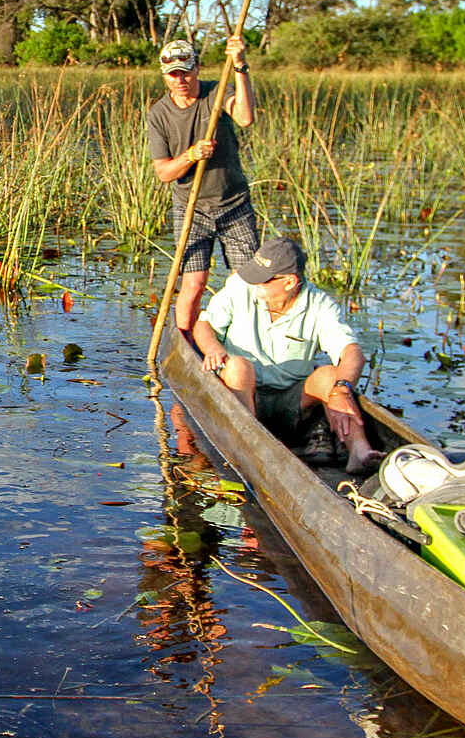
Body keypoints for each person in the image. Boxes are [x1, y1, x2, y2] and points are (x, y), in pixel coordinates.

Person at [193, 237, 380, 474]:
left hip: (291, 401)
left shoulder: (320, 305)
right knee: (238, 367)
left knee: (331, 376)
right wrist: (213, 348)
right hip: (242, 393)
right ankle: (249, 440)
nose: (254, 284)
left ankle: (360, 451)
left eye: (262, 280)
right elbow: (204, 325)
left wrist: (341, 389)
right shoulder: (240, 287)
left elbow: (351, 352)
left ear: (290, 282)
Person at [147, 34, 258, 341]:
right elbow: (164, 172)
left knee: (245, 284)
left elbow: (245, 118)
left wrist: (240, 66)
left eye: (186, 71)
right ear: (165, 76)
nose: (180, 79)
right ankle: (185, 343)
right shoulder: (158, 114)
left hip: (234, 204)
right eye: (173, 74)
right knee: (193, 284)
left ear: (196, 69)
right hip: (191, 208)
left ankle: (239, 344)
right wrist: (191, 155)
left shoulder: (217, 91)